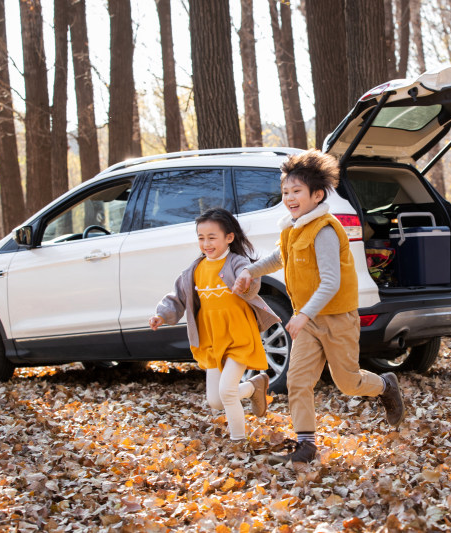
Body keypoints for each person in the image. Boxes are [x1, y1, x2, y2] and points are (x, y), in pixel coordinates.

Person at [235, 149, 405, 465]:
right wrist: (249, 270)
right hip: (308, 321)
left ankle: (385, 385)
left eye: (297, 191)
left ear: (317, 194)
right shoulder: (291, 227)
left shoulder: (325, 229)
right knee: (298, 382)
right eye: (285, 191)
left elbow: (330, 282)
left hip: (336, 318)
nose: (289, 197)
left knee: (347, 382)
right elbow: (278, 258)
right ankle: (306, 445)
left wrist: (302, 315)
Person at [149, 207, 280, 448]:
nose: (206, 243)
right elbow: (177, 296)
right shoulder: (195, 270)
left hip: (239, 335)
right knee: (216, 400)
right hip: (212, 340)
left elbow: (249, 276)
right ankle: (253, 386)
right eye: (201, 238)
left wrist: (246, 279)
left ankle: (239, 443)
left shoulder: (236, 262)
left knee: (227, 392)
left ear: (229, 237)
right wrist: (161, 314)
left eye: (212, 237)